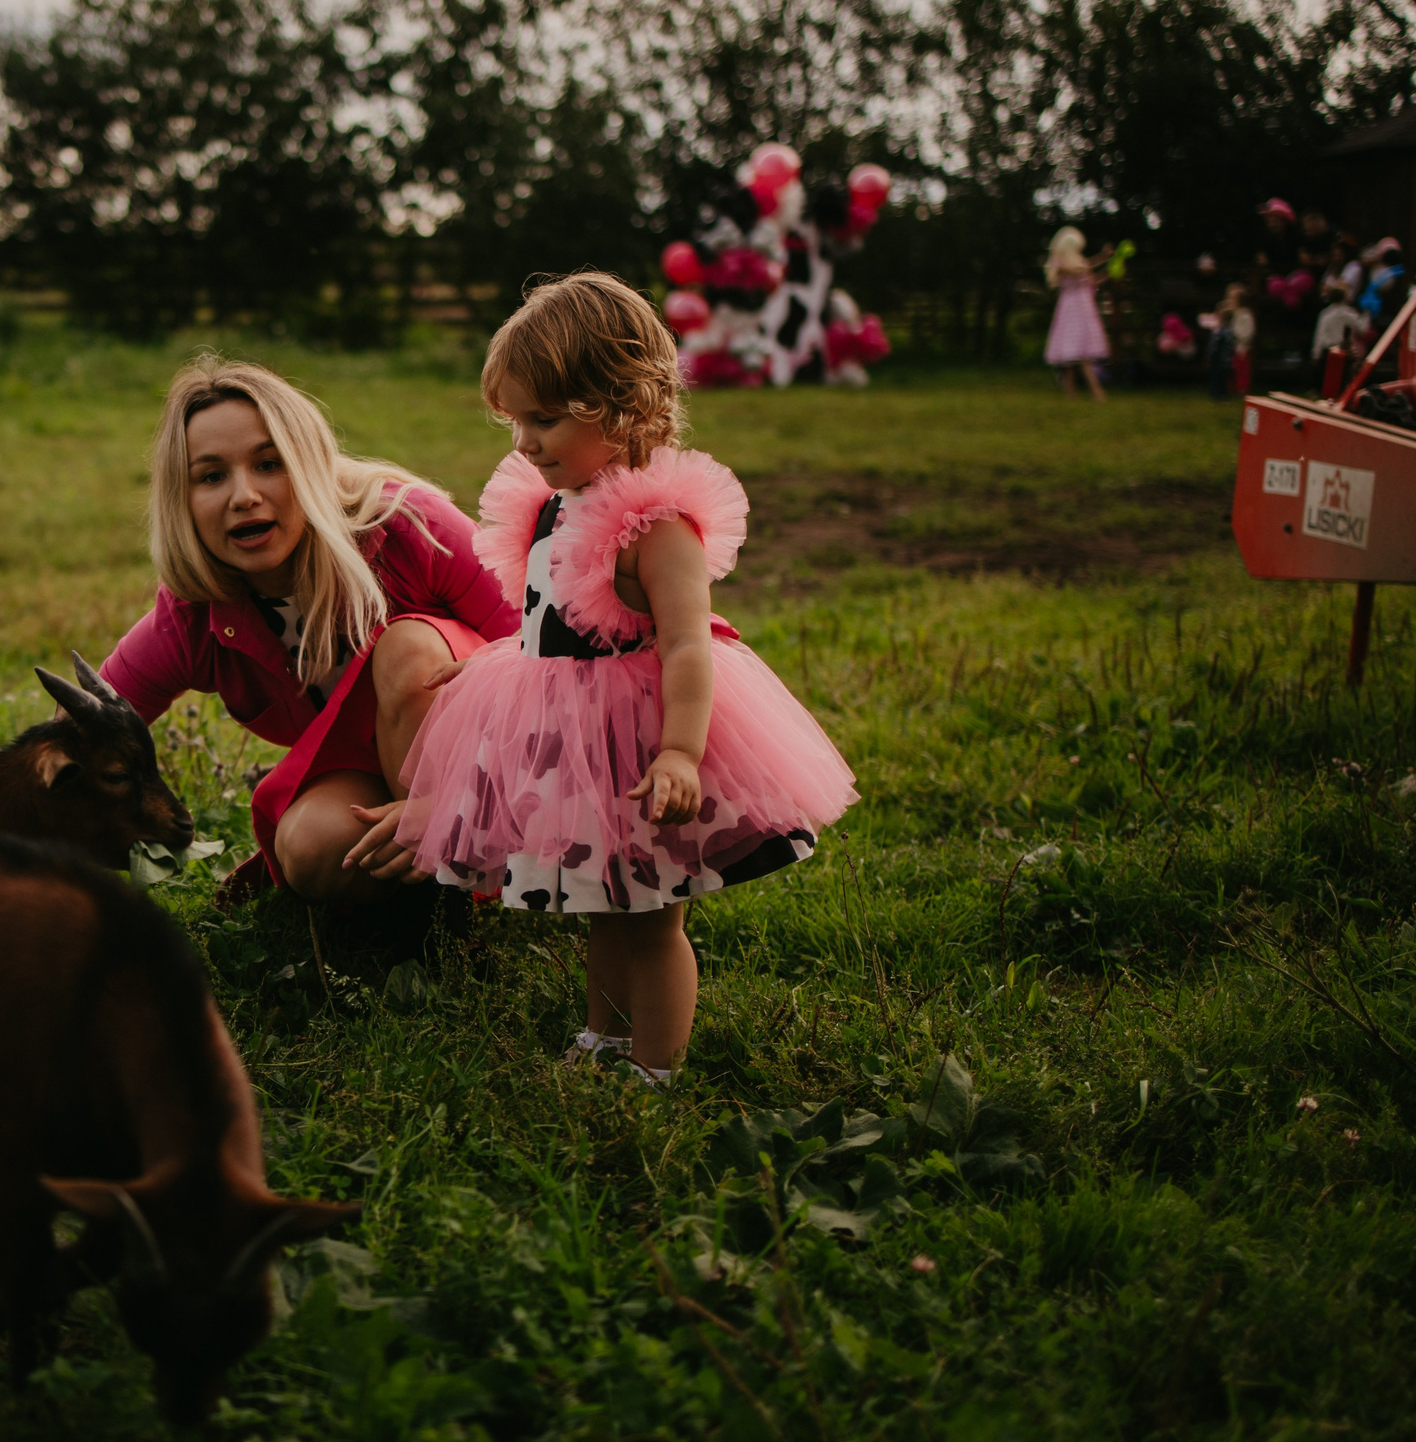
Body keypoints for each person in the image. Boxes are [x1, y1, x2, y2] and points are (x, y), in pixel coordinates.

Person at [385, 274, 857, 1082]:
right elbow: (541, 625)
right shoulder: (548, 504)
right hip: (567, 738)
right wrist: (473, 677)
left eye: (545, 419)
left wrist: (679, 751)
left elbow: (687, 646)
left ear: (624, 405)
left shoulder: (656, 527)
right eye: (515, 422)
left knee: (651, 920)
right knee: (594, 900)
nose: (525, 442)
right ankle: (603, 1035)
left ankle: (656, 1066)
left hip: (637, 745)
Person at [98, 357, 519, 907]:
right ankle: (431, 918)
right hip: (371, 776)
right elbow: (89, 719)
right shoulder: (196, 607)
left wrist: (453, 802)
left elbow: (541, 646)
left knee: (408, 650)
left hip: (494, 771)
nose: (243, 495)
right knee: (310, 847)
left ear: (311, 464)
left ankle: (476, 869)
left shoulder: (407, 525)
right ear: (183, 498)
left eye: (269, 464)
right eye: (211, 476)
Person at [1042, 226, 1111, 400]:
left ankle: (1070, 392)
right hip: (1072, 309)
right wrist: (1100, 259)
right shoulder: (1061, 264)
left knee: (1074, 353)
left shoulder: (1077, 262)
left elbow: (1090, 278)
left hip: (1083, 308)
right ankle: (1096, 392)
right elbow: (1077, 269)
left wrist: (1107, 268)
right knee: (1078, 353)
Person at [1207, 282, 1256, 400]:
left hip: (1241, 347)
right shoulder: (1230, 313)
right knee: (1228, 367)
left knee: (1241, 369)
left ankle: (1242, 389)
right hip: (1229, 347)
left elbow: (1247, 332)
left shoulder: (1244, 314)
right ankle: (1228, 388)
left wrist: (1235, 335)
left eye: (1233, 298)